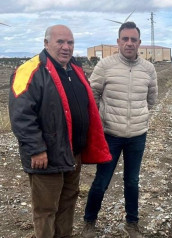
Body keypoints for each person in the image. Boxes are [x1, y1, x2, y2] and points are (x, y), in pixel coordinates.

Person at [9, 24, 111, 238]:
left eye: (70, 42)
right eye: (60, 42)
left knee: (67, 203)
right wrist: (36, 149)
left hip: (72, 154)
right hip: (47, 157)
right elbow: (21, 116)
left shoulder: (74, 68)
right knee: (46, 210)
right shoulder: (29, 71)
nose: (66, 47)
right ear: (46, 44)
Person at [81, 21, 158, 238]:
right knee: (101, 181)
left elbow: (151, 99)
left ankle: (132, 224)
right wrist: (99, 122)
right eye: (125, 39)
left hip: (137, 136)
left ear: (139, 43)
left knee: (132, 181)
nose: (129, 43)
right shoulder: (105, 66)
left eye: (133, 39)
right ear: (118, 42)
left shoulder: (149, 69)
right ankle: (89, 221)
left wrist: (137, 116)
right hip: (110, 136)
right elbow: (92, 95)